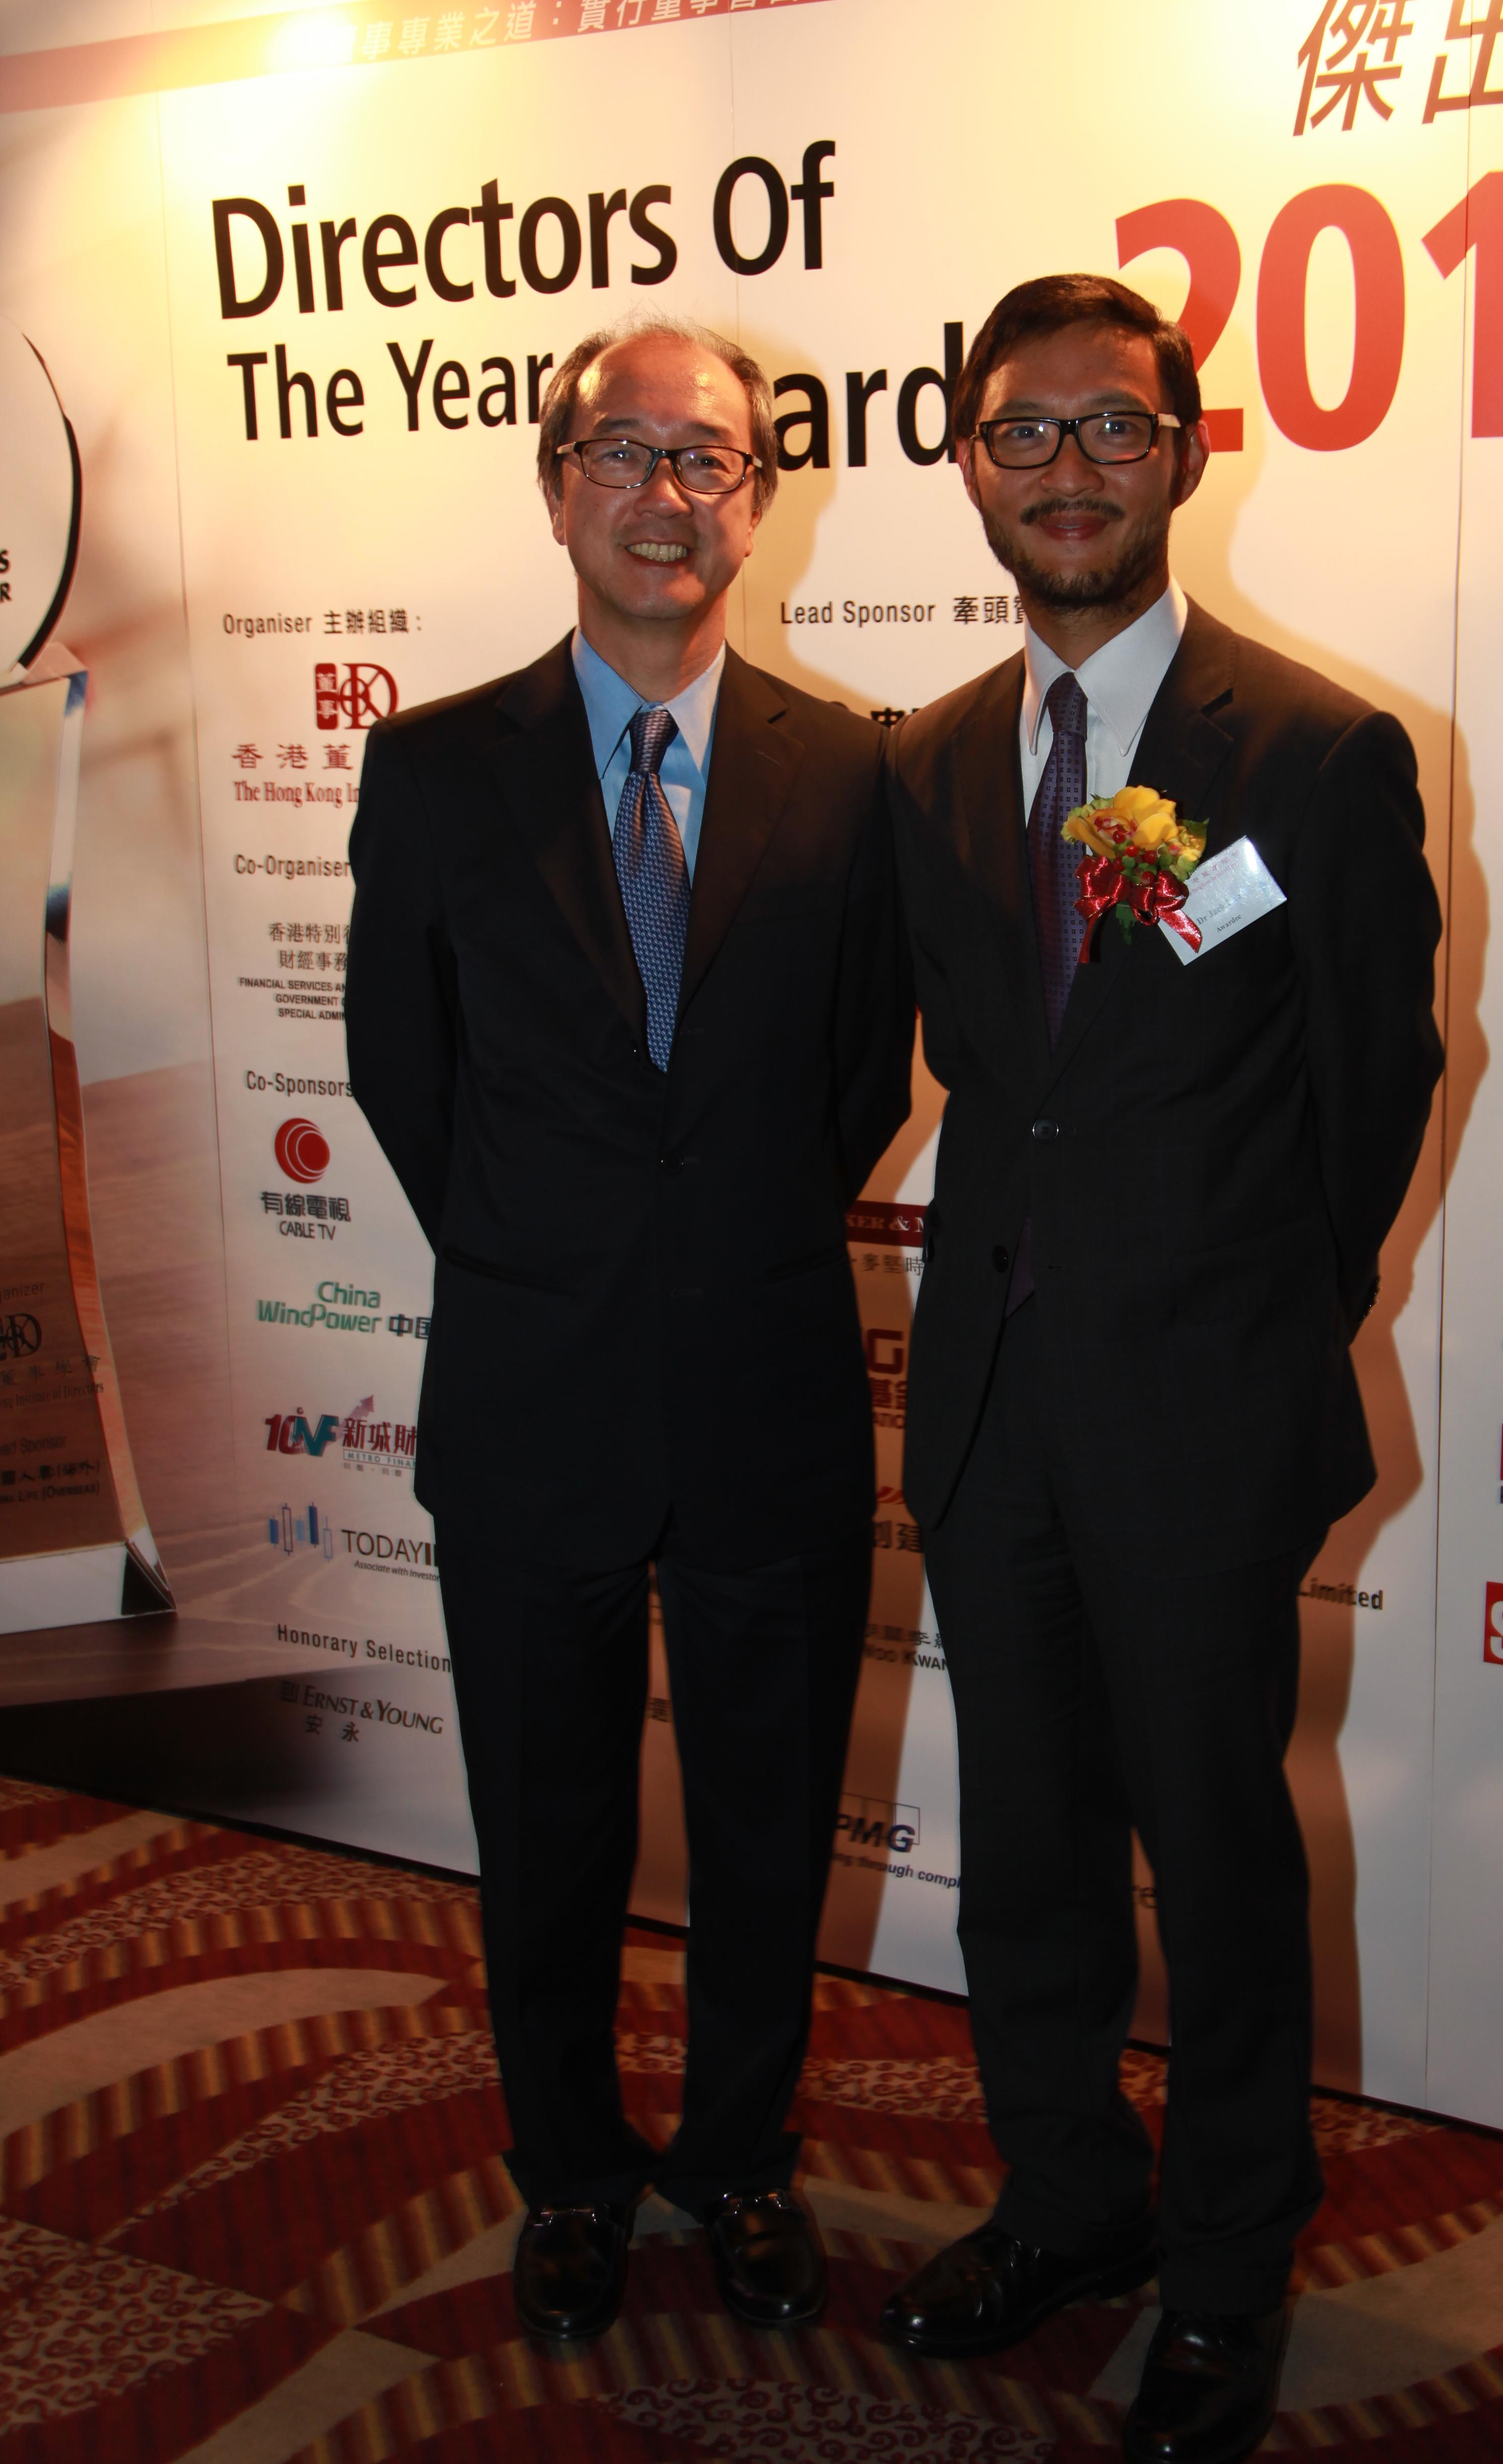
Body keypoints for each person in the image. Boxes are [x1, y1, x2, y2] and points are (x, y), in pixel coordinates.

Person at [880, 276, 1442, 2464]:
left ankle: (1224, 2261)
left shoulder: (1312, 751)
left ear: (1190, 453)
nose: (1070, 470)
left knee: (1216, 1859)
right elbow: (975, 1076)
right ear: (971, 465)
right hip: (993, 1412)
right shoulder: (933, 763)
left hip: (1202, 1412)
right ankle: (1068, 2202)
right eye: (1026, 434)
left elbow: (1371, 1086)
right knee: (1024, 1847)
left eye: (1115, 428)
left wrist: (1246, 1332)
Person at [345, 313, 913, 2349]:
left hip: (766, 1386)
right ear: (556, 483)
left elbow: (861, 1086)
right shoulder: (431, 769)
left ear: (762, 501)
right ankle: (574, 2174)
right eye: (628, 453)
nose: (669, 496)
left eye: (715, 461)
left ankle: (742, 2160)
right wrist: (552, 1254)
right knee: (549, 1826)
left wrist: (711, 1242)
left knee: (770, 1821)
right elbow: (402, 1074)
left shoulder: (849, 773)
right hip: (528, 1394)